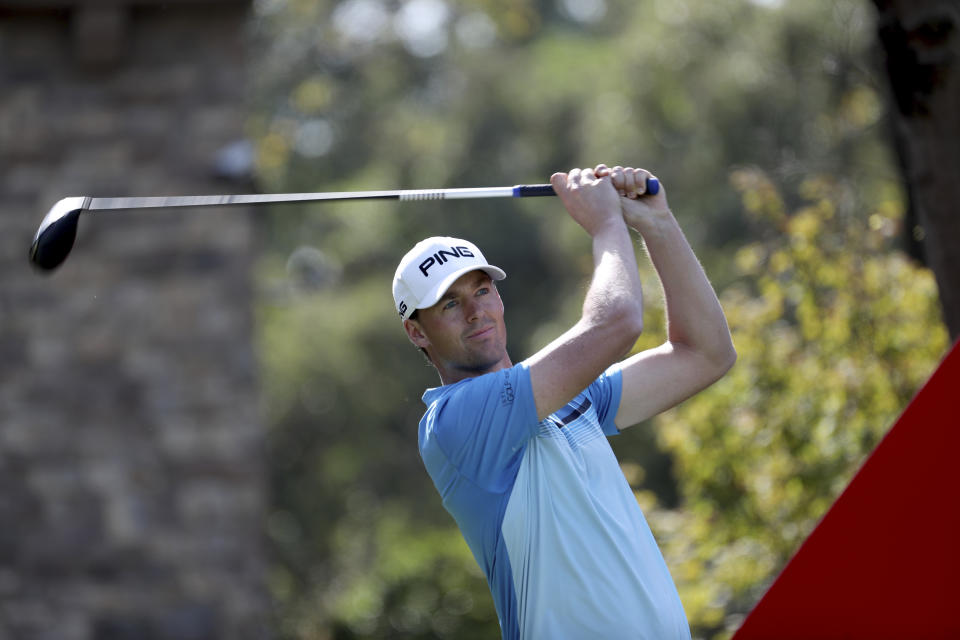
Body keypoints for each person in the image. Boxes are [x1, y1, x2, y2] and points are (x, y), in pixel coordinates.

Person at [391, 164, 736, 639]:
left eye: (482, 290)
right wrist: (607, 225)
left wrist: (657, 223)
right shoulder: (454, 422)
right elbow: (617, 321)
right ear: (416, 332)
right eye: (450, 304)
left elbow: (706, 354)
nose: (476, 312)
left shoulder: (573, 399)